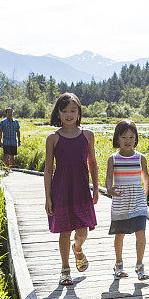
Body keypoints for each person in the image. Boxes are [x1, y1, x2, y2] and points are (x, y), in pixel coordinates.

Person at [44, 93, 99, 285]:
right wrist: (48, 197)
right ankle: (65, 269)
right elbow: (49, 169)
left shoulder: (88, 135)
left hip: (82, 190)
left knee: (83, 231)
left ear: (79, 112)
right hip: (61, 190)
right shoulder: (53, 138)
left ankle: (78, 248)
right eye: (64, 110)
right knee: (64, 231)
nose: (69, 114)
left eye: (73, 110)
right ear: (58, 113)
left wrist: (97, 188)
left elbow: (92, 162)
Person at [105, 119, 149, 280]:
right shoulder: (113, 159)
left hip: (138, 200)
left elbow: (146, 177)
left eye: (131, 137)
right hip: (121, 200)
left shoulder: (140, 158)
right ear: (117, 139)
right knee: (120, 234)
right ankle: (119, 264)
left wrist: (144, 194)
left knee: (141, 232)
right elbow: (109, 178)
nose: (128, 141)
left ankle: (140, 266)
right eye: (124, 137)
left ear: (136, 139)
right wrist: (109, 189)